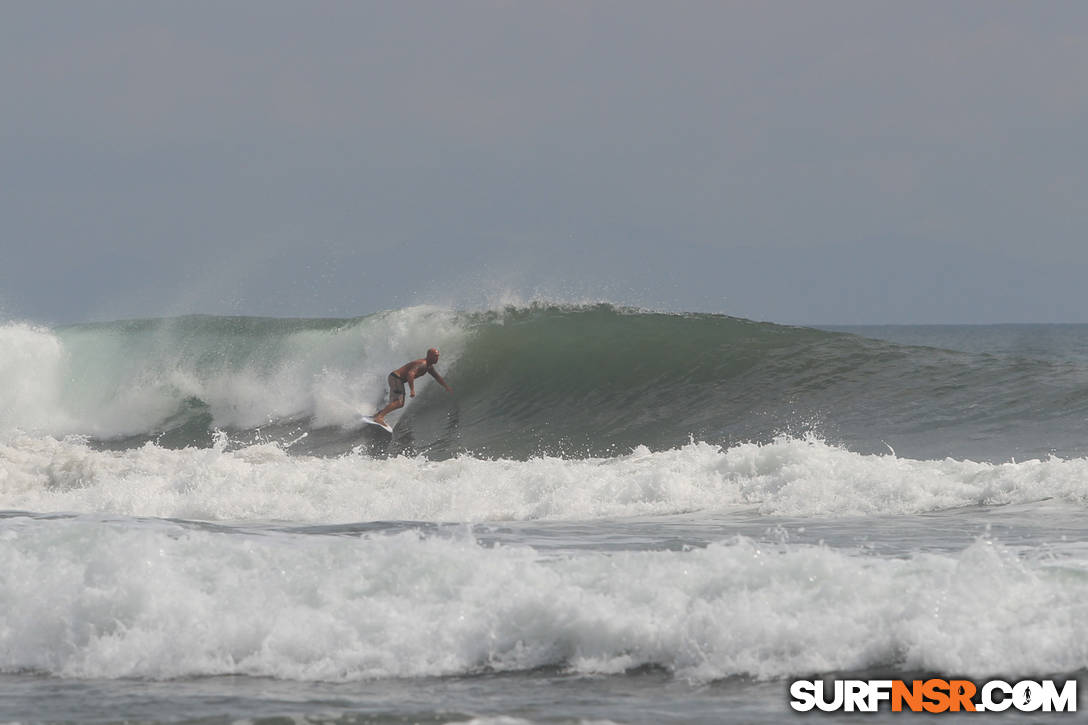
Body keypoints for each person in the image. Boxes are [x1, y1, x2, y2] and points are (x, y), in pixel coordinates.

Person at [372, 348, 452, 426]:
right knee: (399, 402)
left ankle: (377, 415)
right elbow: (410, 374)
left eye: (438, 356)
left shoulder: (429, 367)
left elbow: (437, 377)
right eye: (435, 356)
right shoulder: (423, 364)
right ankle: (379, 417)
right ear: (429, 356)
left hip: (395, 378)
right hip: (396, 378)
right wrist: (412, 390)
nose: (437, 358)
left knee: (396, 402)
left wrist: (446, 387)